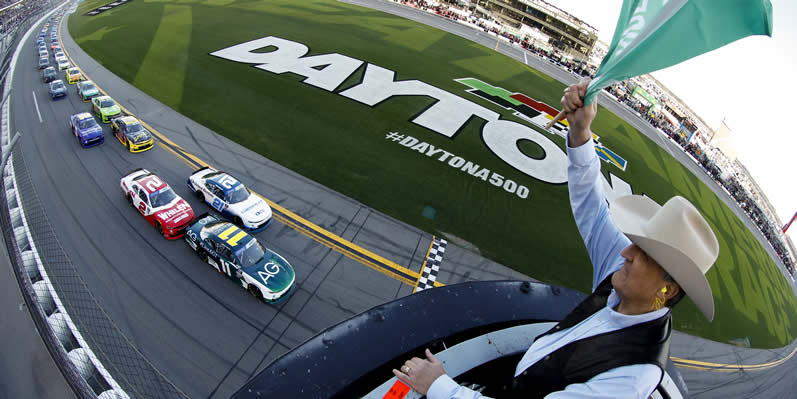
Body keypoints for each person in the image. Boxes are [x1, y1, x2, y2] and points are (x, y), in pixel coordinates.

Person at [393, 78, 720, 398]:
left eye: (645, 253)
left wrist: (438, 385)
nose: (626, 252)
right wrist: (580, 131)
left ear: (668, 288)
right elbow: (592, 207)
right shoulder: (626, 283)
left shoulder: (633, 375)